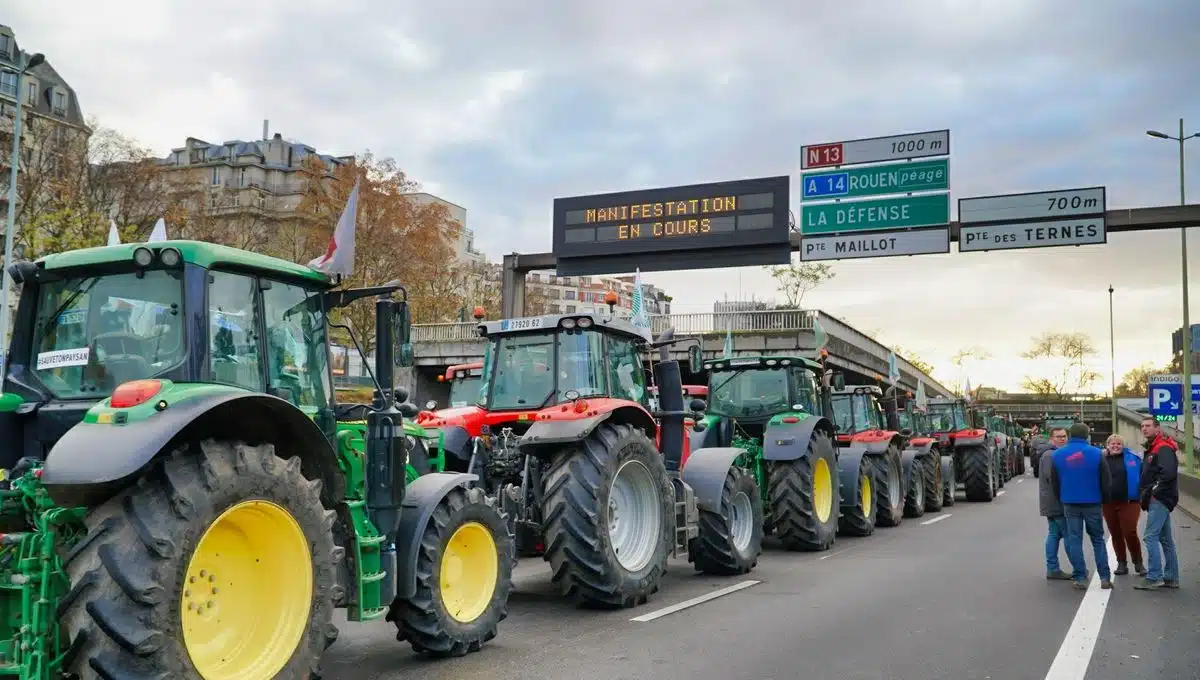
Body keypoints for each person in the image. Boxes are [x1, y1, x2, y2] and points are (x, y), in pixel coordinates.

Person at [1051, 422, 1113, 590]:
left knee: (1074, 540)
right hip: (1093, 502)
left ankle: (1080, 577)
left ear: (1070, 435)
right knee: (1097, 540)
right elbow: (1106, 481)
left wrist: (1063, 498)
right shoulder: (1097, 454)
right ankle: (1105, 577)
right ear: (1087, 435)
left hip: (1070, 502)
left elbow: (1055, 483)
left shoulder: (1057, 455)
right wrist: (1104, 500)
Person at [1133, 417, 1181, 590]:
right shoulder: (1155, 447)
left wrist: (1153, 491)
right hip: (1160, 498)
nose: (1144, 429)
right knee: (1165, 539)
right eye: (1142, 426)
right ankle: (1171, 577)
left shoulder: (1163, 448)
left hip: (1159, 499)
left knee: (1150, 536)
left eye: (1148, 426)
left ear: (1157, 428)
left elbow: (1167, 474)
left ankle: (1154, 577)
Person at [1101, 434, 1145, 576]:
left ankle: (1138, 562)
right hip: (1108, 503)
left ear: (1123, 445)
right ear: (1107, 446)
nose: (1115, 446)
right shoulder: (1101, 459)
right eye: (1112, 444)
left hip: (1130, 501)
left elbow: (1143, 475)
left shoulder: (1133, 458)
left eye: (1118, 443)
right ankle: (1121, 563)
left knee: (1130, 531)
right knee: (1115, 533)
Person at [1039, 427, 1075, 580]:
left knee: (1054, 534)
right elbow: (1052, 478)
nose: (1062, 439)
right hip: (1056, 501)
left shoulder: (1055, 454)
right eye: (1058, 437)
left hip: (1053, 501)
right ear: (1051, 438)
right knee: (1067, 534)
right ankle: (1076, 568)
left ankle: (1052, 568)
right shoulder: (1050, 455)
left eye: (1064, 436)